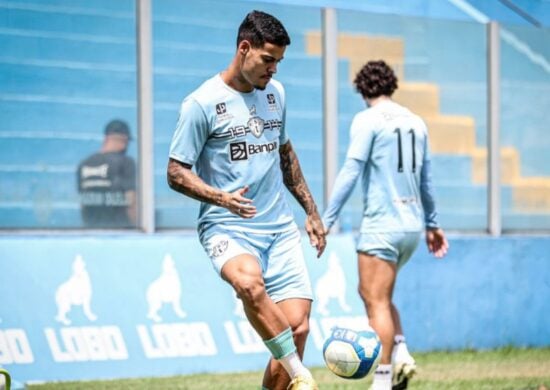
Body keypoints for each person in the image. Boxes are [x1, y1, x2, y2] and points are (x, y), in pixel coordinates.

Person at [167, 10, 326, 390]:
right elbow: (175, 172)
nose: (274, 71)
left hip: (279, 227)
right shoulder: (201, 104)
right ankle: (302, 375)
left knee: (297, 328)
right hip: (228, 225)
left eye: (279, 63)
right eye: (268, 60)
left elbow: (284, 153)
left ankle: (293, 369)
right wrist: (219, 197)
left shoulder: (276, 94)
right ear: (244, 48)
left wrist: (312, 211)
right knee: (249, 285)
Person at [322, 60, 449, 390]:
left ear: (363, 90)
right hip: (411, 227)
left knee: (372, 298)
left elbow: (351, 171)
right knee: (382, 296)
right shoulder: (416, 122)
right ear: (390, 86)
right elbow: (427, 180)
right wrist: (432, 224)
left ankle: (382, 380)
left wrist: (326, 220)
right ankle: (402, 351)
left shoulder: (367, 120)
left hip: (382, 224)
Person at [77, 119, 137, 228]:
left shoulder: (84, 164)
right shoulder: (126, 163)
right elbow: (131, 201)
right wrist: (136, 227)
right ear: (124, 140)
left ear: (106, 139)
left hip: (91, 231)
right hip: (120, 231)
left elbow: (82, 205)